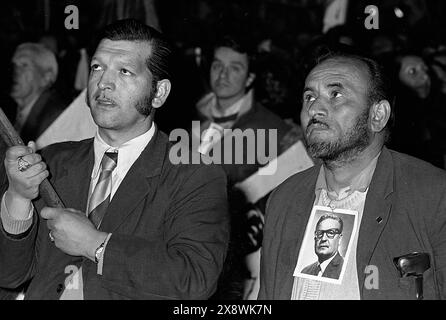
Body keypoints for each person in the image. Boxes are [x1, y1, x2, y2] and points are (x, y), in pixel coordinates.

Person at [0, 19, 229, 300]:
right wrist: (18, 197)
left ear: (159, 93)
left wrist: (97, 245)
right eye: (97, 67)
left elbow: (194, 281)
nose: (104, 82)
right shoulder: (52, 162)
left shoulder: (194, 174)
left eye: (125, 71)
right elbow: (9, 276)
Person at [259, 50, 446, 299]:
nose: (314, 109)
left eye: (335, 94)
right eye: (309, 96)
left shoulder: (433, 195)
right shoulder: (284, 198)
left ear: (377, 115)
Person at [193, 34, 303, 299]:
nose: (223, 74)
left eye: (235, 68)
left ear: (250, 78)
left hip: (244, 264)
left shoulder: (274, 130)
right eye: (217, 65)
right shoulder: (189, 119)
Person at [10, 42, 69, 144]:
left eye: (24, 65)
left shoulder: (54, 118)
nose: (15, 71)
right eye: (13, 65)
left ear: (46, 77)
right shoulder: (14, 111)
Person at [301, 215, 344, 280]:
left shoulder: (344, 269)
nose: (323, 239)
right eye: (319, 233)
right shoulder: (305, 271)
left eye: (330, 233)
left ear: (339, 239)